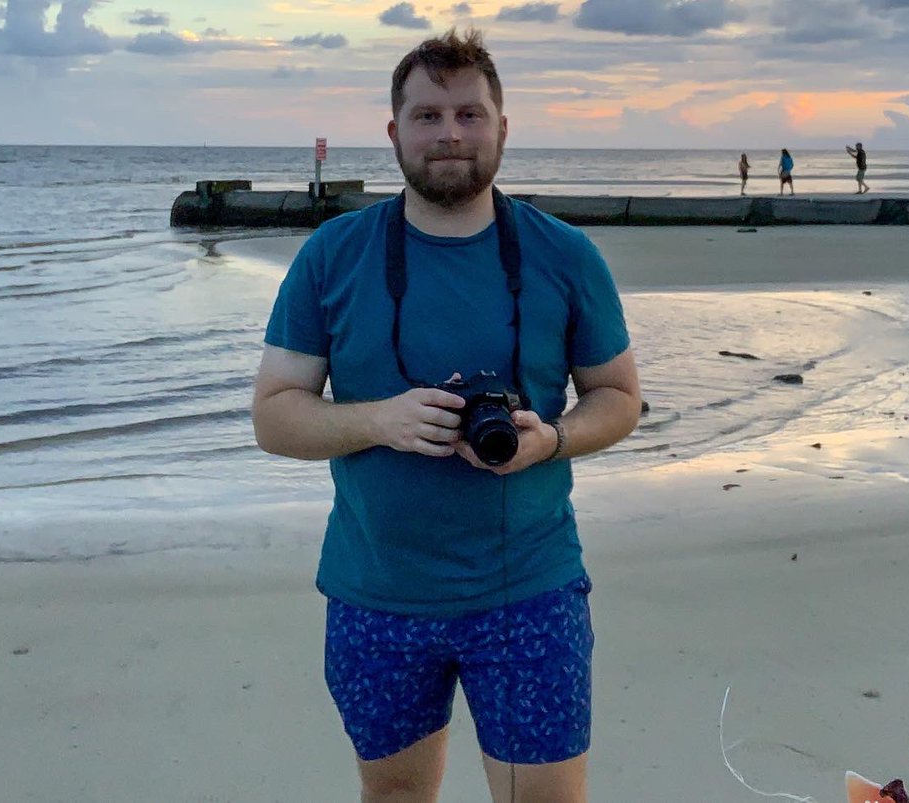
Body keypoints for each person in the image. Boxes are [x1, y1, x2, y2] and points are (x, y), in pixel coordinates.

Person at [252, 27, 641, 803]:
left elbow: (621, 397)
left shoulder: (565, 255)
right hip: (377, 593)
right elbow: (274, 415)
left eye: (470, 114)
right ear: (395, 133)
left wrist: (552, 439)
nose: (451, 134)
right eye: (428, 116)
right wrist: (380, 421)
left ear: (503, 127)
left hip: (528, 588)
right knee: (395, 796)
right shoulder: (334, 255)